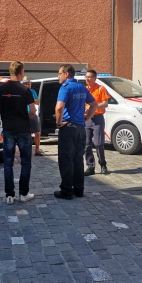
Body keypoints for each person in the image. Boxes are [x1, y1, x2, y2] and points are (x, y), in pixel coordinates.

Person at [0, 61, 36, 205]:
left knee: (8, 163)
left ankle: (9, 195)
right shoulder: (25, 90)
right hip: (23, 129)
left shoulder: (2, 89)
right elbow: (33, 110)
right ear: (21, 72)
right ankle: (23, 193)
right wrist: (25, 117)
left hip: (8, 129)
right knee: (26, 162)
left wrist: (7, 113)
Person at [54, 64, 98, 200]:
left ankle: (66, 190)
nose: (58, 76)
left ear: (66, 74)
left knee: (66, 159)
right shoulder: (81, 87)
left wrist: (58, 123)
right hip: (80, 128)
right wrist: (86, 119)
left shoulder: (65, 87)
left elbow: (59, 107)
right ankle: (79, 189)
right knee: (78, 159)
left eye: (59, 73)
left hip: (68, 128)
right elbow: (94, 104)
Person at [84, 70, 111, 175]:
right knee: (86, 144)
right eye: (86, 77)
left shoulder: (101, 88)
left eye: (89, 77)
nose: (87, 79)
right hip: (87, 119)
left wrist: (93, 107)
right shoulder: (84, 90)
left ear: (95, 78)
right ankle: (90, 166)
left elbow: (105, 104)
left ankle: (103, 164)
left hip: (97, 118)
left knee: (98, 143)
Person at [22, 76, 44, 156]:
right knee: (26, 133)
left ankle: (37, 150)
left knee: (37, 132)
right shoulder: (21, 92)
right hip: (24, 114)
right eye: (25, 84)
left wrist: (30, 99)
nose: (27, 85)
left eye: (28, 84)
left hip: (33, 113)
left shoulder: (33, 91)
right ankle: (26, 150)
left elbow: (37, 102)